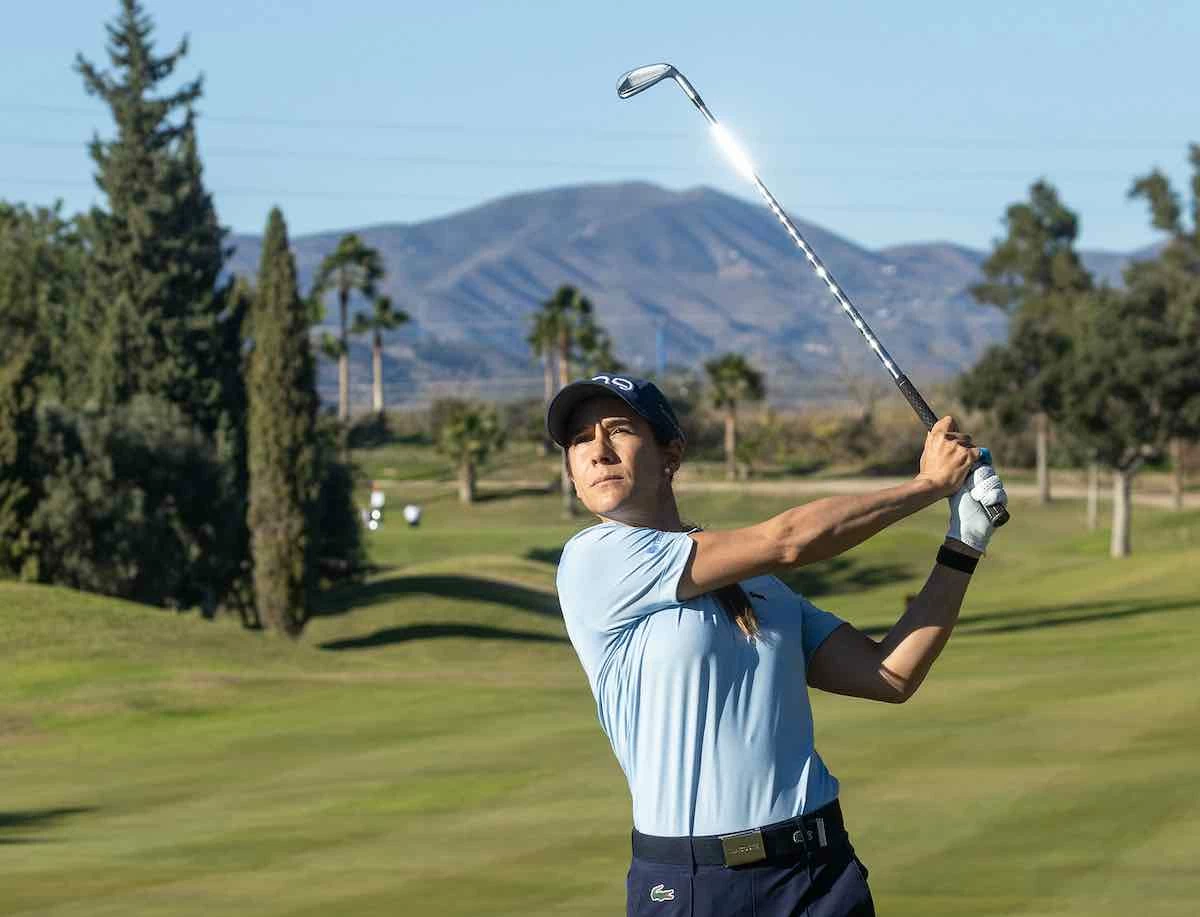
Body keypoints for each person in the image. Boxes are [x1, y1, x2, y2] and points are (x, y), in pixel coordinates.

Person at [547, 374, 1006, 917]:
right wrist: (927, 486)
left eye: (619, 430)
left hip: (818, 874)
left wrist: (964, 542)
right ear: (572, 472)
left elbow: (888, 674)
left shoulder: (759, 587)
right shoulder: (594, 559)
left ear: (671, 454)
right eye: (580, 440)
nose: (598, 451)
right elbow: (787, 541)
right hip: (695, 883)